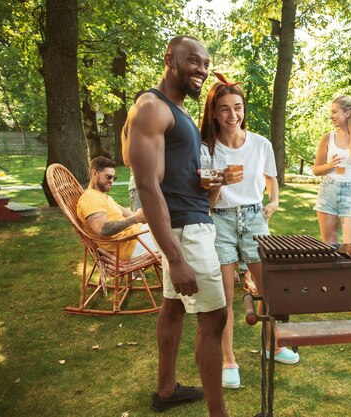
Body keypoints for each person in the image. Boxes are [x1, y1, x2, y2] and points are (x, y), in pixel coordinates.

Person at [122, 36, 229, 416]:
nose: (200, 68)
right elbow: (148, 185)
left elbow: (173, 177)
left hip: (191, 223)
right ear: (169, 59)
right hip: (184, 232)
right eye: (192, 60)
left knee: (173, 309)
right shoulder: (152, 107)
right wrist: (176, 257)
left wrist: (209, 185)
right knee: (215, 319)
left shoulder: (179, 111)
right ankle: (220, 413)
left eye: (205, 62)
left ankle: (166, 390)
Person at [200, 73, 298, 390]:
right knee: (224, 297)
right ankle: (229, 360)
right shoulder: (205, 149)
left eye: (238, 107)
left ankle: (274, 344)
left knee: (269, 287)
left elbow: (269, 178)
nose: (233, 115)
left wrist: (273, 202)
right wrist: (220, 183)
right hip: (220, 221)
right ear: (214, 112)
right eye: (225, 109)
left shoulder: (261, 144)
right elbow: (207, 201)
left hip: (255, 219)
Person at [313, 95, 351, 244]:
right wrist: (330, 166)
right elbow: (316, 170)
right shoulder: (327, 138)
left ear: (347, 113)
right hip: (328, 191)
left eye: (335, 112)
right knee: (329, 244)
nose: (331, 116)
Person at [76, 156, 157, 259]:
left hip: (138, 236)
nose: (112, 181)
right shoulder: (90, 198)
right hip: (131, 244)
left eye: (114, 177)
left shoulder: (103, 197)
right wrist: (135, 219)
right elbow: (102, 230)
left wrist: (145, 215)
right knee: (177, 239)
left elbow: (132, 214)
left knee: (174, 228)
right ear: (94, 173)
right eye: (108, 177)